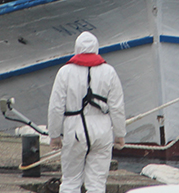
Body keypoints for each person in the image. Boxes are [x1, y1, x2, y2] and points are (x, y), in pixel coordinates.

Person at [48, 32, 126, 193]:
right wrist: (119, 134)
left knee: (70, 181)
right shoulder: (109, 72)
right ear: (97, 49)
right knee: (97, 184)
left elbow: (56, 107)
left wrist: (54, 135)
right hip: (102, 131)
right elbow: (117, 107)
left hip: (74, 130)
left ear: (77, 49)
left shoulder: (65, 72)